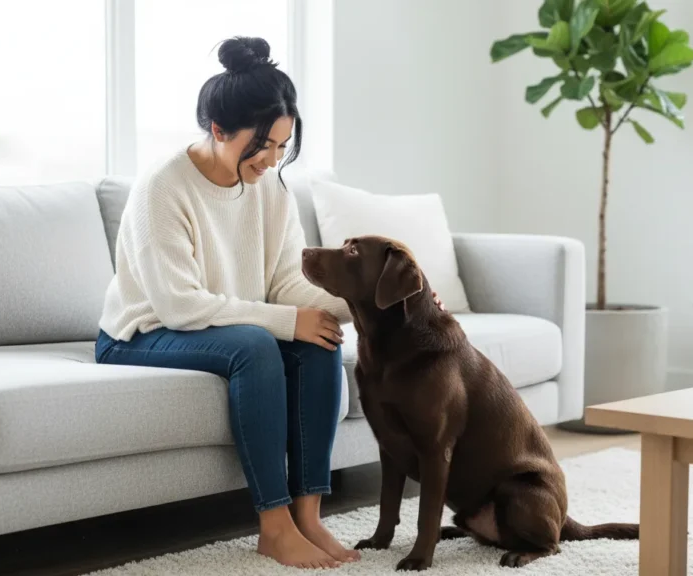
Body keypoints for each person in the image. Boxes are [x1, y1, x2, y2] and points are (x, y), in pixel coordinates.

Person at [95, 36, 443, 569]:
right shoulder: (162, 188)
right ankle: (274, 528)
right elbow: (179, 305)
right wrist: (285, 321)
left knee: (319, 333)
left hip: (224, 326)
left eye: (283, 146)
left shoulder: (271, 188)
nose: (273, 160)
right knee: (258, 345)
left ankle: (308, 516)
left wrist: (383, 301)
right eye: (262, 146)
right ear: (218, 130)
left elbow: (286, 286)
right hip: (141, 332)